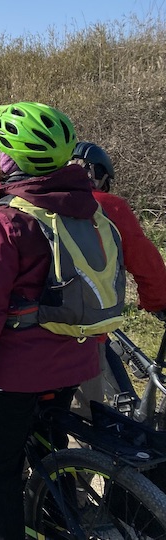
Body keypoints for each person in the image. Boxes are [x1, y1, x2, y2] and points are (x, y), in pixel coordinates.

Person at [0, 102, 105, 540]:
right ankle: (57, 522)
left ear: (9, 157)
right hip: (77, 359)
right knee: (50, 446)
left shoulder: (5, 219)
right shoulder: (85, 205)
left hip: (13, 375)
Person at [69, 141, 166, 417]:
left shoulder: (31, 201)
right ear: (98, 175)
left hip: (31, 330)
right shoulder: (107, 206)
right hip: (85, 330)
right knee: (87, 416)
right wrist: (156, 301)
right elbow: (145, 262)